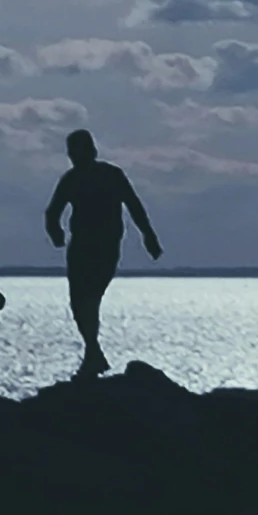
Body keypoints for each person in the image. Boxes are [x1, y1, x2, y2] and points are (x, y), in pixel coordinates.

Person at [43, 128, 160, 379]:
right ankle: (93, 353)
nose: (75, 157)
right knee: (79, 301)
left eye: (78, 152)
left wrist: (148, 235)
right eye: (72, 153)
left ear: (91, 151)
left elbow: (133, 205)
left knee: (90, 298)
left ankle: (93, 355)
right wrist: (56, 233)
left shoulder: (111, 175)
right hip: (81, 245)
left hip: (105, 245)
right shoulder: (70, 179)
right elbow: (52, 212)